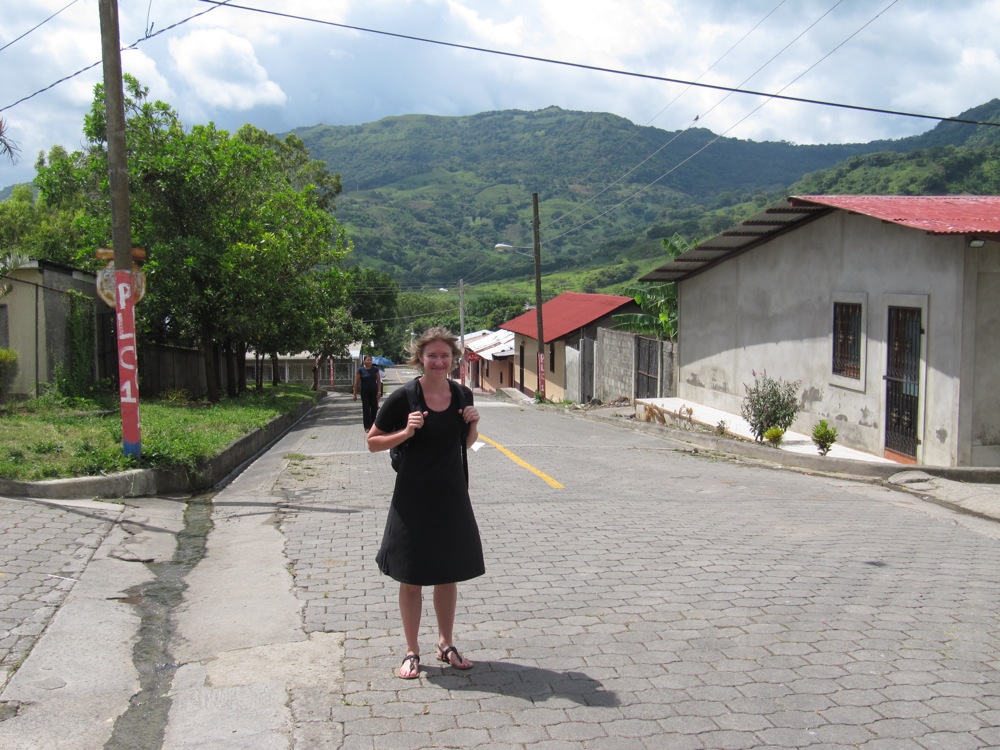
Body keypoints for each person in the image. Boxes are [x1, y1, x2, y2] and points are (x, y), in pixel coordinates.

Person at [366, 327, 483, 680]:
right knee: (412, 577)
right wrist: (405, 432)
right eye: (432, 355)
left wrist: (473, 426)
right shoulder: (404, 397)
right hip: (412, 499)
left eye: (445, 355)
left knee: (448, 575)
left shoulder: (462, 394)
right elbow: (372, 442)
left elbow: (465, 443)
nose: (438, 361)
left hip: (451, 496)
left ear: (453, 359)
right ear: (420, 358)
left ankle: (446, 644)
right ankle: (411, 650)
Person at [353, 355, 383, 431]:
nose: (369, 361)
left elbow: (378, 381)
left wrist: (379, 391)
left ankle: (373, 425)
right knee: (366, 409)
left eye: (370, 360)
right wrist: (354, 393)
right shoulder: (360, 370)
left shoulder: (375, 369)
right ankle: (367, 426)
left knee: (374, 409)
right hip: (364, 392)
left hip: (374, 392)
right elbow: (356, 382)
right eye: (368, 360)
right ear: (364, 361)